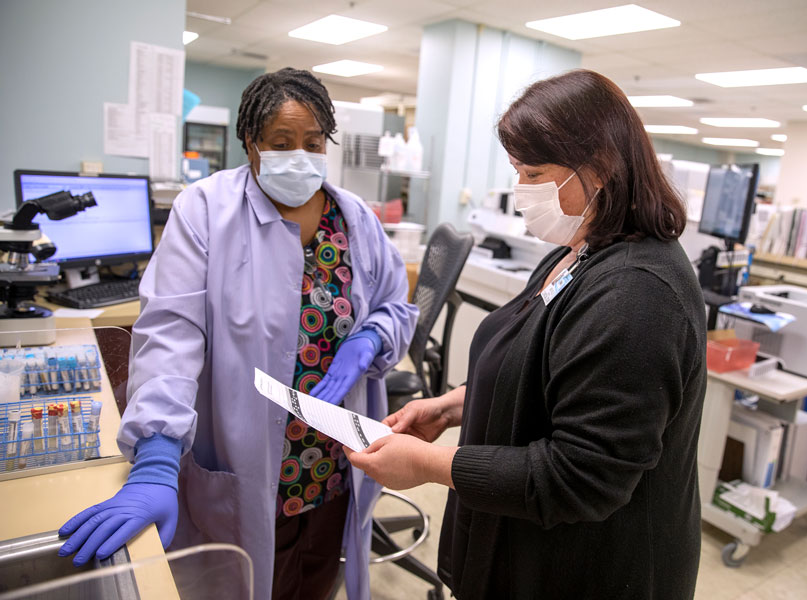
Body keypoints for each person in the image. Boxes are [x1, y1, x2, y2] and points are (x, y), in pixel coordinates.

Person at [57, 68, 418, 600]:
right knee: (248, 583)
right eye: (281, 142)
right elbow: (171, 335)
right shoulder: (204, 210)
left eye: (313, 143)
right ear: (250, 144)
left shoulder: (355, 219)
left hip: (334, 469)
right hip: (246, 472)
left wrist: (370, 339)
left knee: (315, 582)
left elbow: (396, 306)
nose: (300, 155)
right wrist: (156, 455)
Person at [346, 69, 706, 599]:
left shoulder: (637, 295)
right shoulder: (579, 251)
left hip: (593, 571)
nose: (521, 190)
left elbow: (579, 476)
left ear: (602, 167)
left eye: (534, 173)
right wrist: (454, 406)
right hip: (525, 549)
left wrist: (424, 464)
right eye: (517, 171)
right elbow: (544, 371)